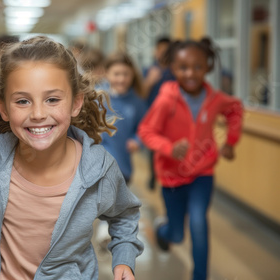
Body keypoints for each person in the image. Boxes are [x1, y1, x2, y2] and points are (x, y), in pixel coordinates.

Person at [0, 36, 143, 280]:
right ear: (4, 108)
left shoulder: (99, 170)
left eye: (52, 99)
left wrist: (124, 259)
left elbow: (124, 214)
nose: (38, 114)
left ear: (76, 103)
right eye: (23, 101)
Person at [138, 38, 243, 280]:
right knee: (177, 235)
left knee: (198, 222)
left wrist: (230, 142)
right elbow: (146, 131)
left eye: (197, 67)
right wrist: (168, 147)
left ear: (208, 67)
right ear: (172, 69)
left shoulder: (215, 98)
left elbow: (235, 109)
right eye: (183, 67)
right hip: (172, 177)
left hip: (202, 174)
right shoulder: (166, 100)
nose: (191, 73)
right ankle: (163, 232)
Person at [101, 52, 147, 184]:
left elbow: (144, 128)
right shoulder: (97, 98)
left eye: (126, 74)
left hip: (123, 168)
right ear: (107, 74)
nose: (121, 79)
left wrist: (137, 141)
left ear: (132, 75)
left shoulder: (137, 102)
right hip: (98, 168)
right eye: (116, 74)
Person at [143, 36, 175, 190]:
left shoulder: (175, 72)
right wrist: (149, 81)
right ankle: (154, 175)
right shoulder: (149, 71)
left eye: (166, 51)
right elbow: (141, 94)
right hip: (153, 120)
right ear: (155, 52)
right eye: (160, 51)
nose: (163, 54)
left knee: (167, 148)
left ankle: (165, 176)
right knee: (153, 149)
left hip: (171, 121)